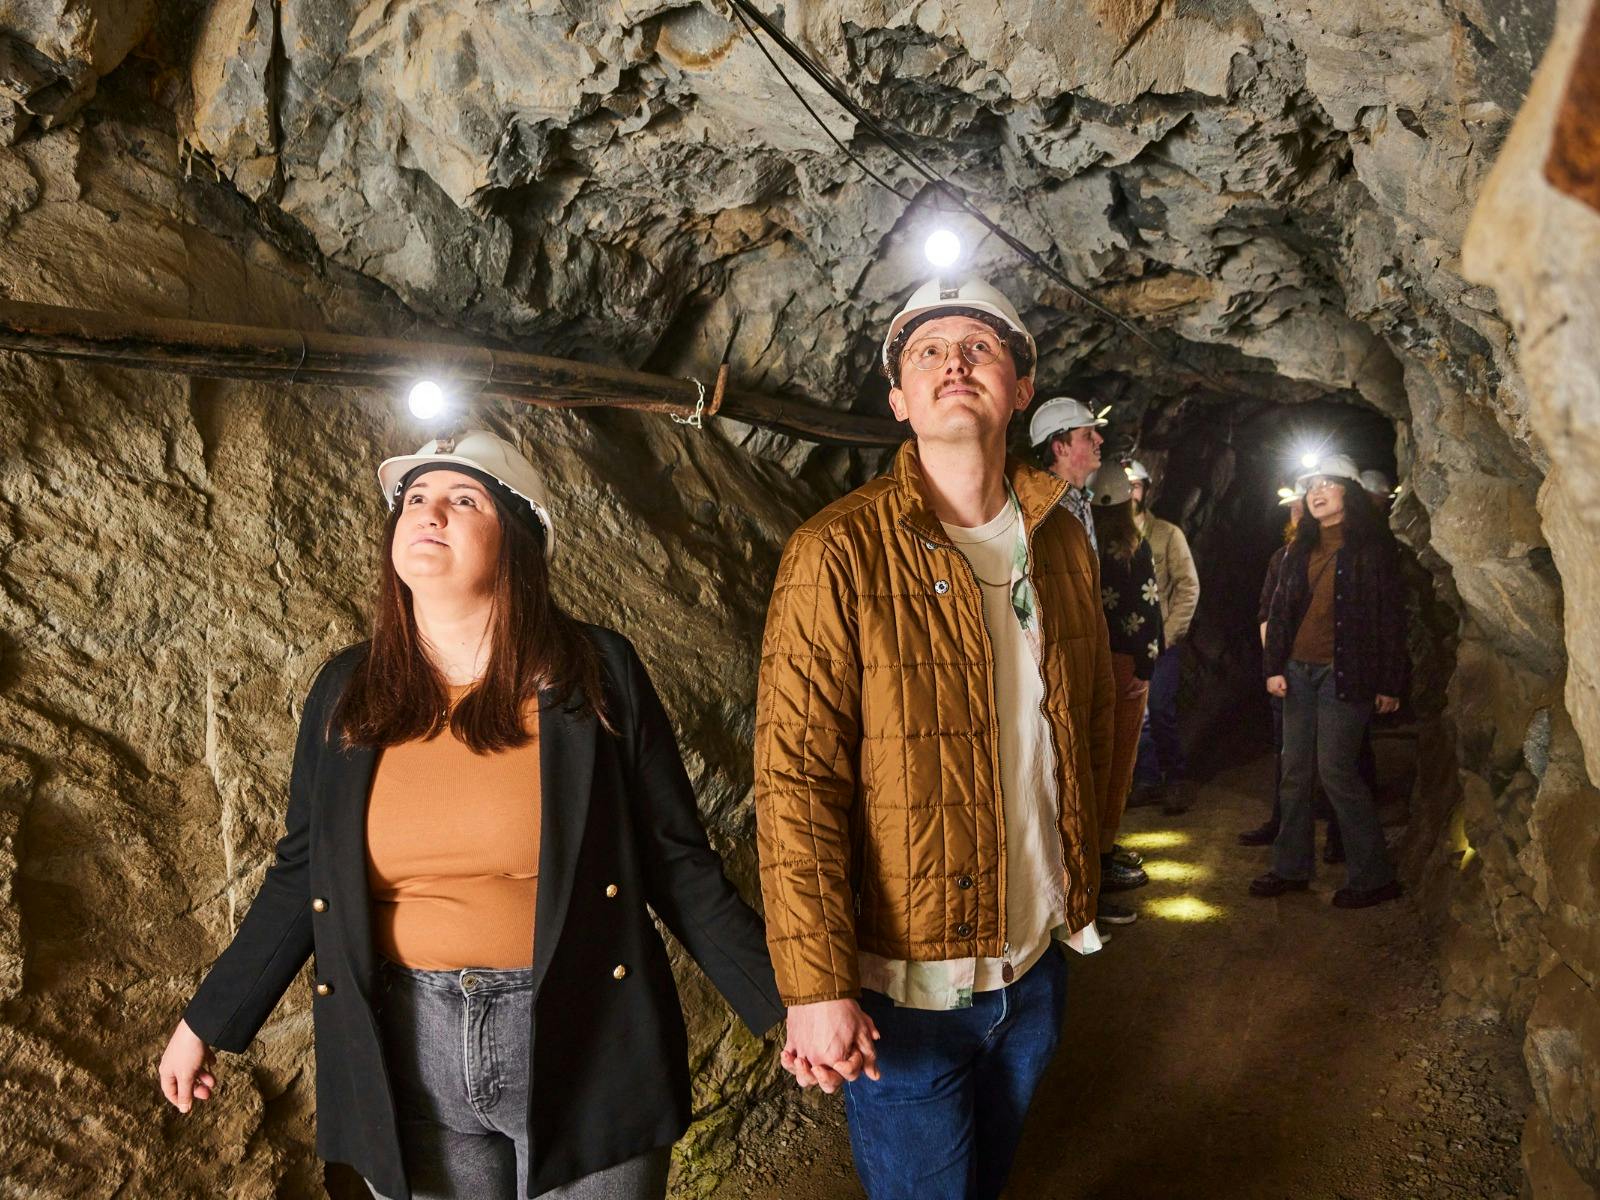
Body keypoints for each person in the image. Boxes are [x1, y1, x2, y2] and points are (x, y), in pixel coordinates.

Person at [158, 429, 783, 1200]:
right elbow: (301, 877)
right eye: (415, 499)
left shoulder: (596, 674)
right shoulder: (347, 692)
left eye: (463, 499)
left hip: (581, 1038)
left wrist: (789, 1005)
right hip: (406, 1047)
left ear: (517, 538)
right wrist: (206, 1022)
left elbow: (677, 863)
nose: (430, 513)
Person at [754, 276, 1114, 1200]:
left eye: (979, 347)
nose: (954, 362)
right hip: (902, 987)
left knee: (986, 1181)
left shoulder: (1063, 546)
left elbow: (1093, 722)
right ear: (899, 401)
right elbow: (796, 780)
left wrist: (1083, 878)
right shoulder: (834, 552)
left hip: (1032, 970)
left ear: (1021, 388)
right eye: (927, 352)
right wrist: (814, 982)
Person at [1251, 454, 1406, 908]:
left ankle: (1374, 876)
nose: (1316, 492)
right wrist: (1274, 667)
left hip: (1346, 675)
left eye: (1328, 483)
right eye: (1311, 485)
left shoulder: (1373, 551)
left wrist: (1391, 683)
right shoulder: (1297, 551)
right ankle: (1291, 867)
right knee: (1295, 772)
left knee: (1336, 770)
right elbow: (1279, 613)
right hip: (1299, 672)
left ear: (1348, 492)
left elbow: (1390, 620)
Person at [1088, 462, 1163, 925]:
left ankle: (1098, 856)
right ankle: (1102, 857)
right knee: (1116, 762)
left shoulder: (1078, 541)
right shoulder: (1132, 546)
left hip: (1089, 664)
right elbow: (1146, 608)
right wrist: (1147, 663)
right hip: (1124, 665)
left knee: (1092, 762)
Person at [1126, 460, 1200, 815]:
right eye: (1124, 485)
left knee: (1159, 711)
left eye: (1135, 485)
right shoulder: (1104, 536)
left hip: (1162, 641)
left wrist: (1170, 635)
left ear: (1146, 489)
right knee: (1135, 715)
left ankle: (1177, 777)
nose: (1130, 493)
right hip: (1125, 642)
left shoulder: (1168, 535)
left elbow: (1188, 586)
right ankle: (1147, 779)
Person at [1028, 396, 1106, 552]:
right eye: (1087, 435)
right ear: (1060, 449)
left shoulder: (1076, 499)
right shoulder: (1049, 507)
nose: (1100, 439)